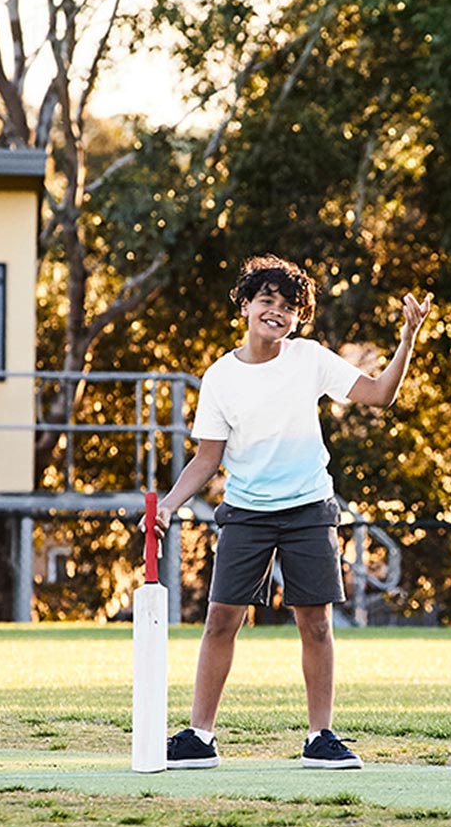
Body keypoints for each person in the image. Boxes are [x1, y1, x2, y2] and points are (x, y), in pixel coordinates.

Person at [150, 255, 431, 770]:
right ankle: (199, 736)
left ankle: (320, 737)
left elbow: (380, 395)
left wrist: (407, 339)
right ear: (245, 305)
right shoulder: (219, 378)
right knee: (219, 622)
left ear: (298, 317)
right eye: (267, 301)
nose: (276, 312)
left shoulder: (310, 359)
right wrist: (169, 504)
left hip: (308, 508)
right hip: (247, 512)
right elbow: (207, 457)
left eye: (287, 306)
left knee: (316, 625)